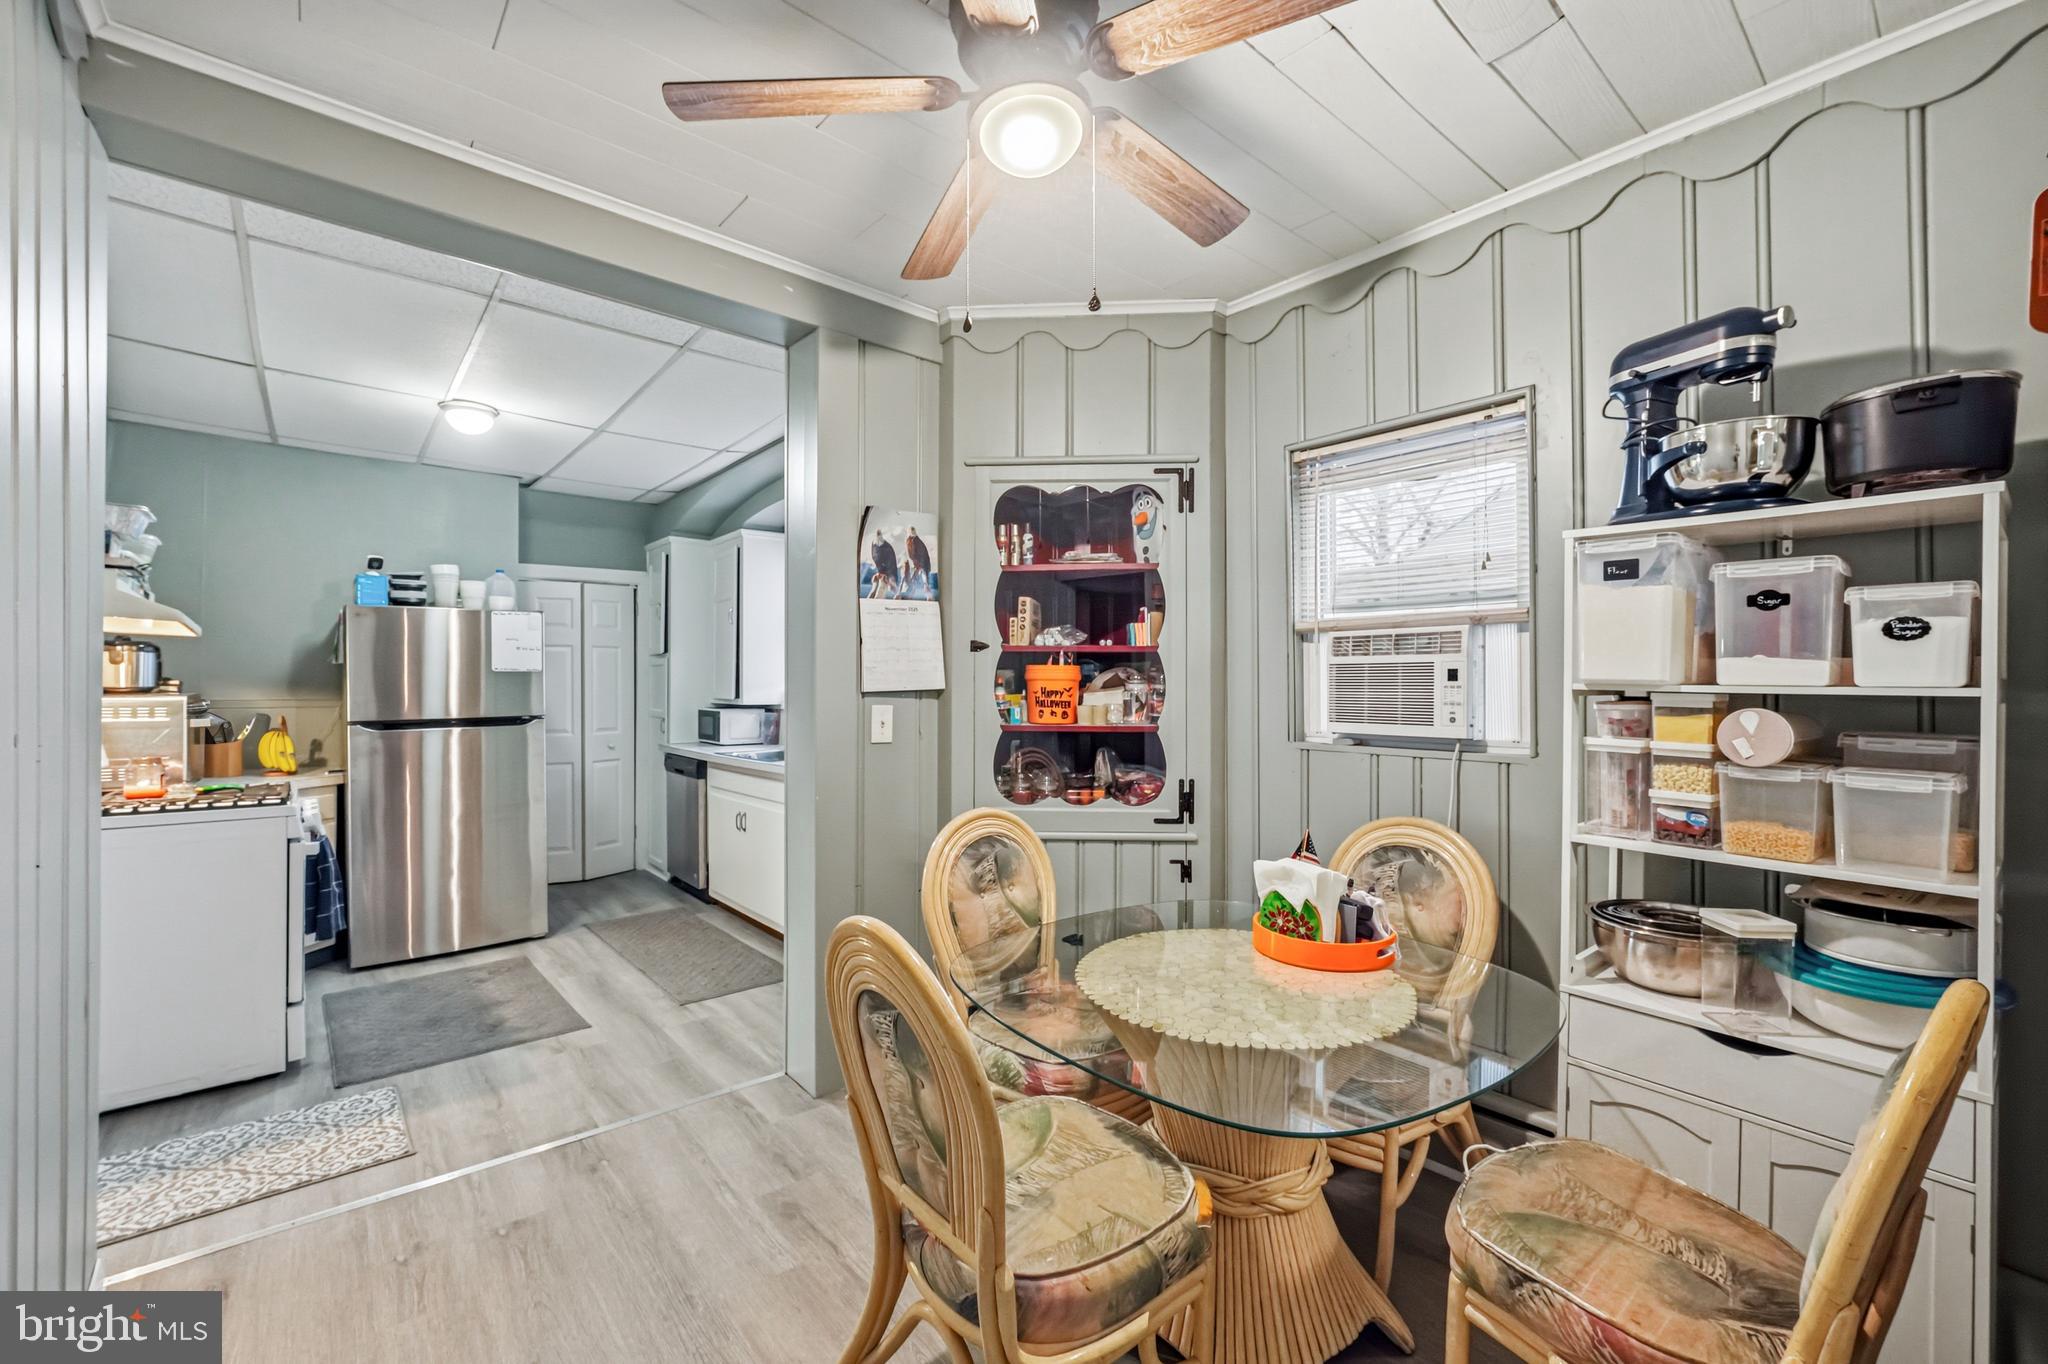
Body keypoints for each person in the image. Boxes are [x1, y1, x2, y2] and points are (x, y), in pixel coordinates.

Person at [868, 528, 899, 599]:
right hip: (881, 573)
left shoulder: (887, 547)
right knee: (873, 594)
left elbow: (891, 564)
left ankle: (897, 595)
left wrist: (887, 575)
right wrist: (879, 572)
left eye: (879, 534)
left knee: (880, 593)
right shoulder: (874, 544)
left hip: (889, 574)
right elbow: (875, 559)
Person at [903, 525, 933, 599]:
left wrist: (919, 566)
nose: (912, 531)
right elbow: (910, 555)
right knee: (913, 581)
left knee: (925, 582)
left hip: (923, 565)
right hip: (916, 565)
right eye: (911, 530)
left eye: (913, 530)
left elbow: (922, 556)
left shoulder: (916, 541)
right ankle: (909, 596)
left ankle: (929, 598)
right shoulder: (909, 540)